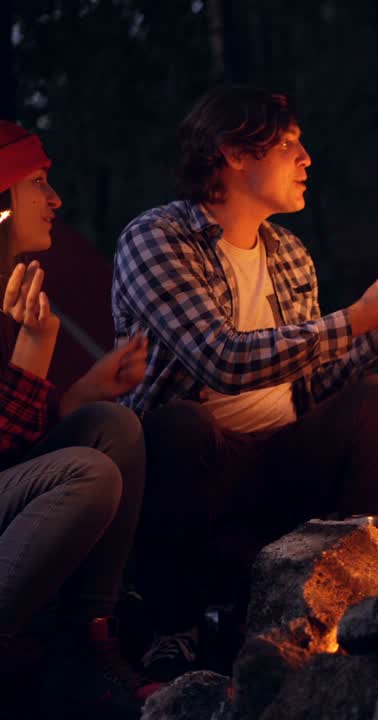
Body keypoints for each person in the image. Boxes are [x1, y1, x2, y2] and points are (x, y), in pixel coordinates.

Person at [112, 86, 378, 679]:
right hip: (198, 476)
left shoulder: (289, 254)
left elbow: (309, 384)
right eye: (288, 144)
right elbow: (222, 360)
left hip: (282, 460)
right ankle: (175, 625)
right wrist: (355, 318)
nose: (307, 159)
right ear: (235, 154)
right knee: (177, 425)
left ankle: (364, 591)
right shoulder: (158, 240)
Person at [0, 121, 162, 712]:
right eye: (38, 183)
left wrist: (85, 390)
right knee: (89, 475)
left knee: (114, 427)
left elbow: (15, 441)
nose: (55, 199)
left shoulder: (13, 282)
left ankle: (90, 644)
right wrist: (34, 351)